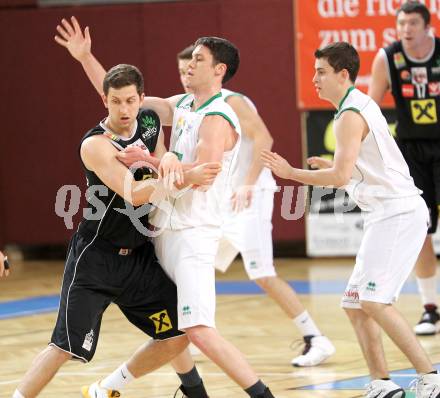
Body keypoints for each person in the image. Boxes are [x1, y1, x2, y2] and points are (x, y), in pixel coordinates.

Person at [55, 18, 275, 398]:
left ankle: (261, 394)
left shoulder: (218, 117)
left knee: (199, 329)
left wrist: (157, 162)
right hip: (162, 228)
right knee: (172, 326)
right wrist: (86, 58)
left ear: (219, 69)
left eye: (199, 59)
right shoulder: (185, 103)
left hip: (192, 233)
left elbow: (204, 173)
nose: (189, 62)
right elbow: (124, 99)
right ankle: (188, 390)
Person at [12, 64, 220, 398]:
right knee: (65, 347)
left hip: (138, 257)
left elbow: (163, 154)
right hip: (97, 256)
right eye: (115, 102)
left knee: (180, 332)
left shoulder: (150, 120)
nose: (123, 109)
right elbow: (135, 193)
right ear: (103, 101)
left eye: (129, 101)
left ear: (141, 98)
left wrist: (164, 161)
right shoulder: (95, 145)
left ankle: (110, 388)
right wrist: (186, 178)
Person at [262, 41, 440, 398]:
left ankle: (430, 376)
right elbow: (365, 163)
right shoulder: (357, 104)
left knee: (373, 301)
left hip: (397, 212)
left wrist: (290, 172)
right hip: (387, 212)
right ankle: (382, 383)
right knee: (355, 304)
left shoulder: (348, 115)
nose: (314, 79)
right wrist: (339, 166)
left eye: (321, 72)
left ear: (343, 75)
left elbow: (341, 178)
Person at [176, 45, 335, 366]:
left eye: (193, 65)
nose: (187, 74)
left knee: (260, 271)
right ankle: (197, 333)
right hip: (225, 199)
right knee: (197, 262)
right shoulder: (192, 107)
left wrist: (248, 182)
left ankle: (315, 338)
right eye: (182, 70)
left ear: (215, 70)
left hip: (251, 192)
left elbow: (264, 138)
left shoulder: (231, 101)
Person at [369, 1, 440, 336]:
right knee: (421, 229)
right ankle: (430, 308)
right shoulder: (388, 58)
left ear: (428, 26)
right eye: (402, 23)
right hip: (412, 151)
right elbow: (371, 109)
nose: (406, 29)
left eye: (413, 23)